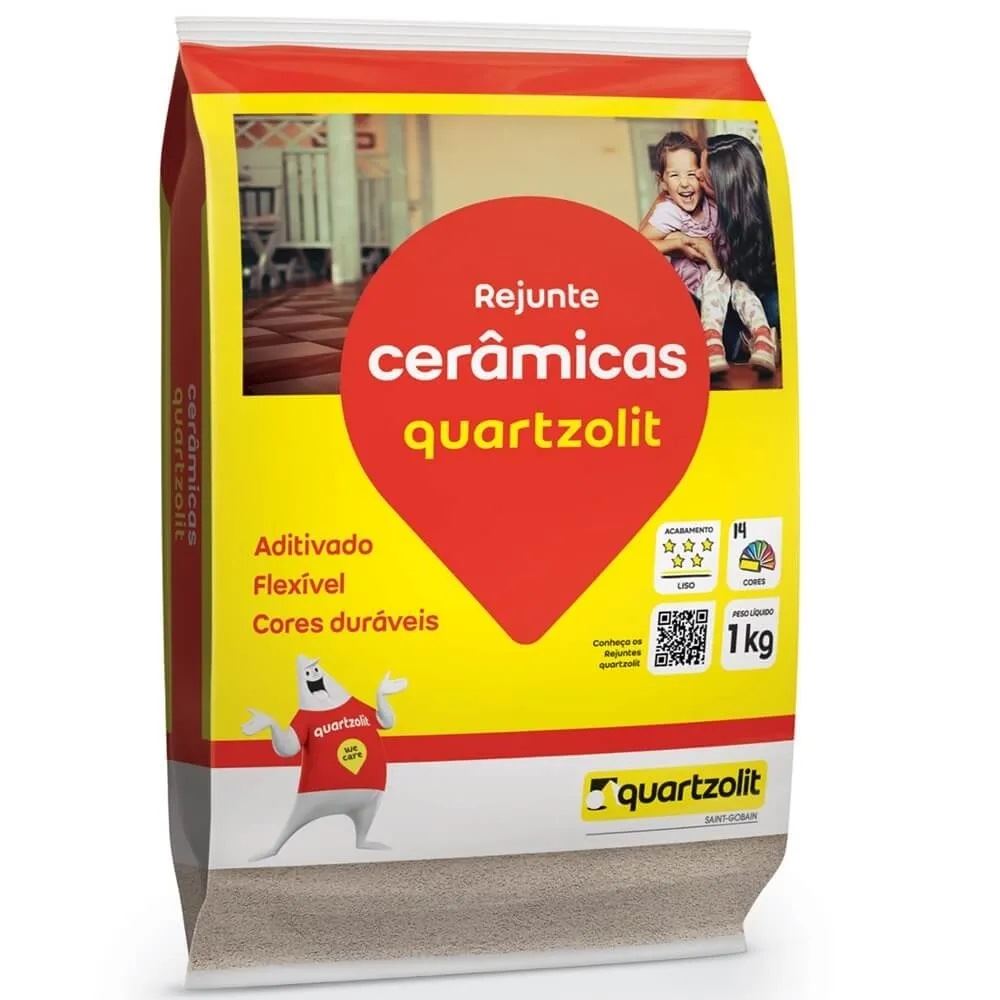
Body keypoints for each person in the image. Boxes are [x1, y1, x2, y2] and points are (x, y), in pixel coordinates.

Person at [639, 131, 777, 376]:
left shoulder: (719, 206)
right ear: (663, 181)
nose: (688, 182)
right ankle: (712, 343)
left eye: (694, 173)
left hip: (733, 281)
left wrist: (712, 255)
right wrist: (679, 242)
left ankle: (763, 338)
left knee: (742, 289)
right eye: (675, 175)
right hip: (703, 289)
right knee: (717, 283)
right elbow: (638, 242)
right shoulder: (670, 210)